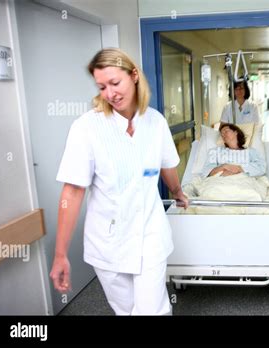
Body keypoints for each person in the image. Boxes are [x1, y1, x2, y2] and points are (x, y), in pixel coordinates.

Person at [49, 48, 188, 316]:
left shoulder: (155, 122)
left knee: (152, 311)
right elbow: (73, 190)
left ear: (134, 75)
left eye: (115, 83)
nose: (109, 94)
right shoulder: (86, 128)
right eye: (102, 87)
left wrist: (178, 191)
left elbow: (166, 166)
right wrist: (60, 253)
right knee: (125, 311)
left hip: (150, 235)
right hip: (107, 242)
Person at [202, 123, 266, 177]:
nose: (223, 135)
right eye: (221, 134)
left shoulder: (251, 152)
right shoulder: (215, 151)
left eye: (226, 131)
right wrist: (224, 167)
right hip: (221, 181)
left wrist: (240, 168)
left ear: (235, 132)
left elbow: (261, 168)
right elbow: (207, 171)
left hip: (244, 182)